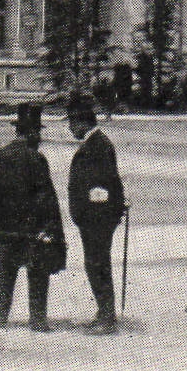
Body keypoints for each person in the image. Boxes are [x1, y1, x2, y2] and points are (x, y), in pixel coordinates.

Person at [0, 103, 65, 332]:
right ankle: (37, 321)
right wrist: (52, 229)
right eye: (38, 133)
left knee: (5, 275)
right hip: (31, 232)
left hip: (3, 231)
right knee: (37, 276)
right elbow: (47, 199)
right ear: (33, 133)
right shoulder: (36, 159)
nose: (40, 138)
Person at [66, 97, 127, 334]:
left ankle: (106, 317)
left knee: (97, 264)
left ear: (82, 122)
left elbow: (104, 184)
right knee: (96, 263)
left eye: (72, 123)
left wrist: (90, 213)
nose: (70, 128)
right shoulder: (96, 143)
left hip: (97, 218)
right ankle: (103, 312)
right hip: (95, 217)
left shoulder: (97, 145)